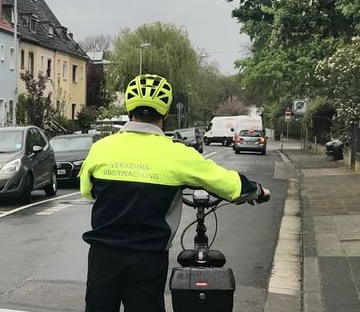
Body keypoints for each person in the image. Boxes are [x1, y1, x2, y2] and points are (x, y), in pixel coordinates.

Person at [78, 74, 271, 312]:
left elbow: (87, 192)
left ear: (129, 109)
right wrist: (258, 192)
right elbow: (228, 184)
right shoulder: (177, 154)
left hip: (103, 256)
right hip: (147, 258)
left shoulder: (100, 149)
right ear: (166, 113)